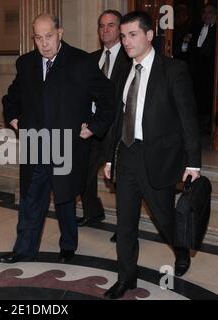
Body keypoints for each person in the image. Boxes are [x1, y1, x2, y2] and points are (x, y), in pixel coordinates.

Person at [1, 14, 116, 264]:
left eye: (49, 36)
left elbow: (109, 99)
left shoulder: (82, 62)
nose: (44, 44)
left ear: (60, 33)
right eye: (38, 38)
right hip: (35, 144)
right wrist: (13, 118)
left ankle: (68, 246)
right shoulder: (26, 63)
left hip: (67, 145)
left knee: (64, 198)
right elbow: (12, 97)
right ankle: (24, 250)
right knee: (31, 199)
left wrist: (94, 127)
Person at [103, 11, 202, 300]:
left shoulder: (173, 70)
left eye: (132, 35)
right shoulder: (123, 71)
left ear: (149, 36)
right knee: (125, 223)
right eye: (123, 36)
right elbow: (117, 118)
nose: (126, 41)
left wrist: (193, 162)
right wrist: (110, 157)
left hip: (158, 156)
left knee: (165, 218)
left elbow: (188, 120)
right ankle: (126, 278)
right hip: (128, 155)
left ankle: (181, 249)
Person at [78, 10, 131, 245]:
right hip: (92, 128)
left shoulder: (130, 59)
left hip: (118, 130)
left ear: (119, 30)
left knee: (120, 182)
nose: (105, 30)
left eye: (110, 25)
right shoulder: (91, 58)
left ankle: (125, 226)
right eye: (101, 26)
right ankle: (93, 212)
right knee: (83, 174)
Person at [184, 3, 217, 134]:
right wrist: (185, 42)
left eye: (209, 12)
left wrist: (212, 25)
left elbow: (209, 50)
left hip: (209, 71)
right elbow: (187, 49)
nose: (206, 15)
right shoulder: (196, 28)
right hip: (194, 69)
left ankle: (206, 126)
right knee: (194, 97)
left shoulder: (217, 30)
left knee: (206, 98)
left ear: (215, 15)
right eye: (204, 12)